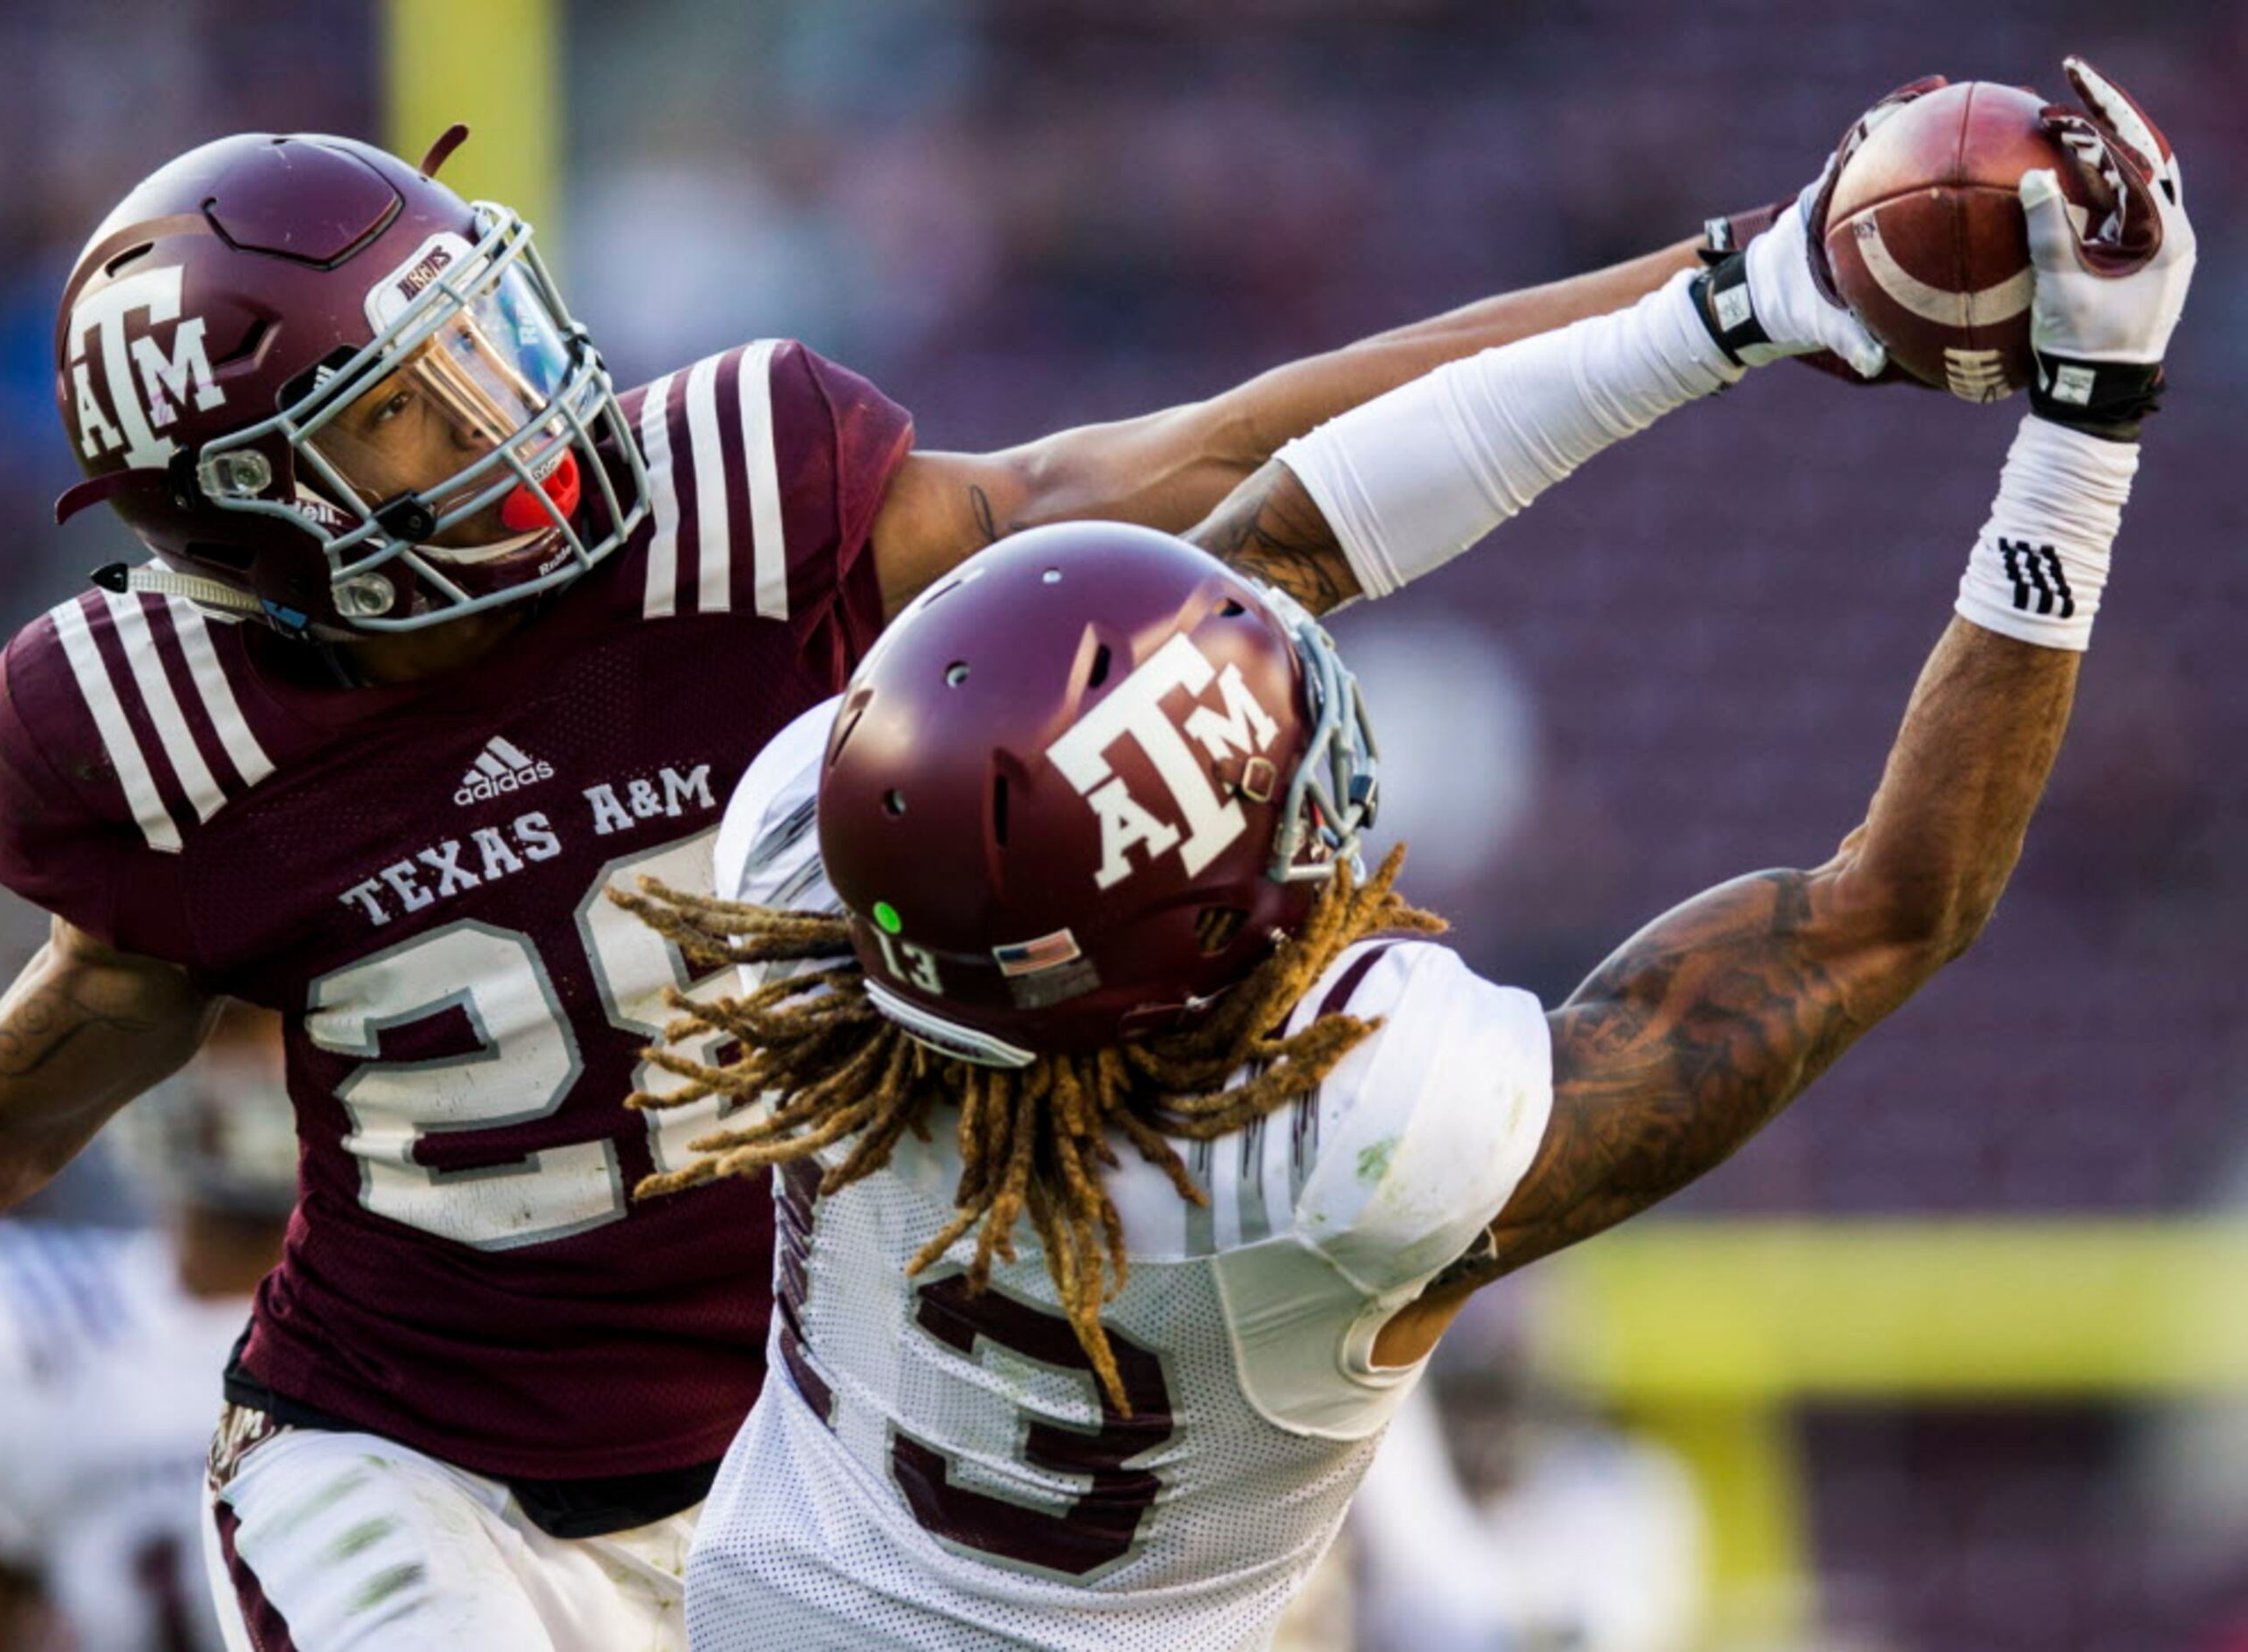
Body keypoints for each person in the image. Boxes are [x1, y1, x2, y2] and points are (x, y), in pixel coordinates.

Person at [0, 107, 1872, 1647]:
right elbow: (7, 1111)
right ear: (251, 516)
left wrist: (1733, 291)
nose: (514, 406)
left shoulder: (746, 507)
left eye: (489, 333)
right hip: (421, 1467)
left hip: (810, 1465)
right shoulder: (157, 748)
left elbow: (1223, 485)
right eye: (410, 409)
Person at [611, 59, 2191, 1649]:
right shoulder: (1339, 1145)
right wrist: (2087, 421)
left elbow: (1265, 558)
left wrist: (1745, 300)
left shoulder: (825, 874)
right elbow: (1887, 912)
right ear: (1207, 964)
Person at [0, 1005, 291, 1652]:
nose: (259, 1066)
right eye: (223, 1033)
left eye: (288, 1028)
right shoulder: (20, 1316)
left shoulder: (443, 1320)